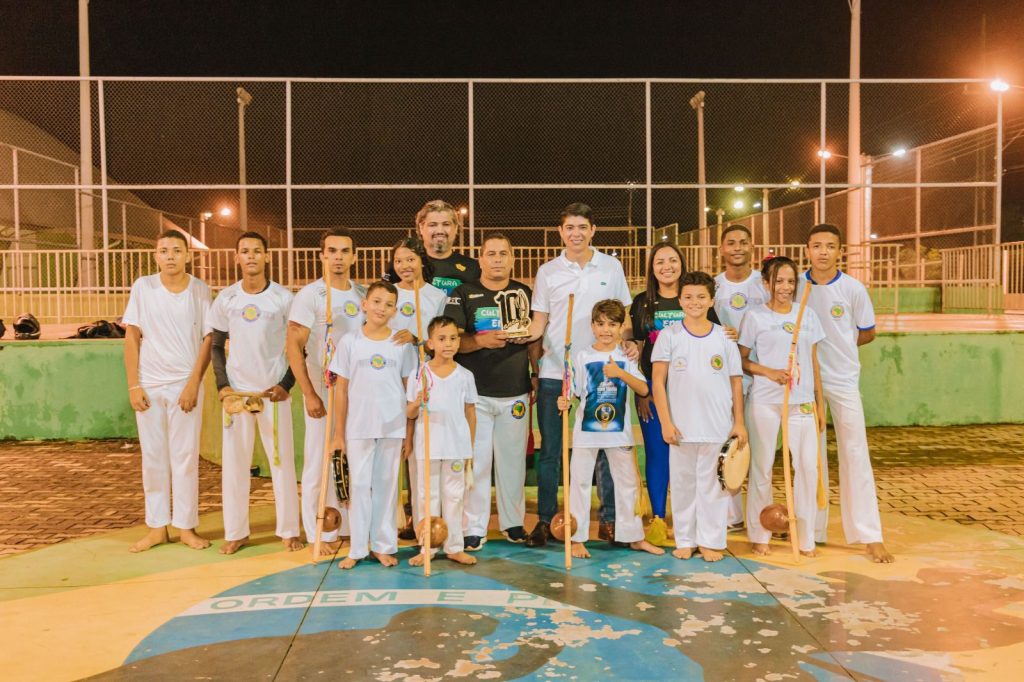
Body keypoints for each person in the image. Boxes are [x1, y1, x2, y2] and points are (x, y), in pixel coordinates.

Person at [520, 202, 637, 547]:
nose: (576, 233)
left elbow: (623, 318)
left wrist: (628, 345)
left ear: (592, 231)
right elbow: (539, 323)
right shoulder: (548, 271)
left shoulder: (611, 266)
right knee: (552, 450)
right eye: (569, 227)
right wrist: (514, 334)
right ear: (561, 232)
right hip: (557, 370)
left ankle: (610, 519)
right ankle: (546, 519)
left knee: (603, 447)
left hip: (601, 372)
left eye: (582, 227)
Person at [801, 224, 893, 563]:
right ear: (806, 250)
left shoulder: (853, 289)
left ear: (839, 251)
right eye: (816, 246)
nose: (823, 251)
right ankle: (812, 529)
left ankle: (869, 534)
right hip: (806, 382)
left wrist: (840, 348)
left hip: (842, 380)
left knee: (855, 452)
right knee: (809, 456)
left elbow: (867, 333)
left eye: (829, 246)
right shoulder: (796, 286)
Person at [624, 242, 728, 539]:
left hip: (693, 394)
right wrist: (643, 391)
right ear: (651, 268)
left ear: (681, 263)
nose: (666, 266)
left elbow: (715, 338)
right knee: (657, 454)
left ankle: (696, 521)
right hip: (653, 393)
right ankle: (658, 518)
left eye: (672, 260)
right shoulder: (642, 301)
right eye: (659, 261)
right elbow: (637, 344)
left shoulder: (694, 298)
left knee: (693, 458)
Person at [208, 232, 301, 555]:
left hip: (271, 394)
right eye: (244, 251)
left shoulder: (283, 298)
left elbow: (297, 347)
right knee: (235, 465)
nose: (250, 257)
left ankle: (289, 529)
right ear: (236, 258)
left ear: (267, 257)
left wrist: (285, 384)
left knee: (282, 463)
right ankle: (236, 531)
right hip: (237, 395)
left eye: (257, 251)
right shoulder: (227, 298)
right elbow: (216, 346)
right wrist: (223, 386)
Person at [445, 233, 539, 550]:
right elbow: (454, 338)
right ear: (481, 259)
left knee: (513, 462)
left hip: (515, 392)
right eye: (491, 254)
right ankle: (474, 526)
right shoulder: (464, 293)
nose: (497, 259)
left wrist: (537, 373)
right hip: (477, 394)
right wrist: (480, 341)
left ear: (512, 259)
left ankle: (513, 523)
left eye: (503, 253)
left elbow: (535, 339)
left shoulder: (524, 293)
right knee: (478, 461)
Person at [122, 230, 213, 553]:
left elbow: (207, 339)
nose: (171, 256)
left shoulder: (200, 291)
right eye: (164, 250)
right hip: (149, 385)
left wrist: (193, 383)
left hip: (184, 388)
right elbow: (132, 336)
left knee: (185, 457)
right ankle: (157, 526)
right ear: (155, 256)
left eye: (177, 250)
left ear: (188, 255)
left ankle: (186, 526)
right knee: (153, 457)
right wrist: (134, 384)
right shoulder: (143, 287)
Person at [651, 271, 747, 562]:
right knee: (682, 485)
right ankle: (685, 539)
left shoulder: (724, 337)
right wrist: (666, 422)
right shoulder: (669, 336)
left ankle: (711, 541)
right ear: (680, 300)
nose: (694, 302)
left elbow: (736, 381)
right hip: (680, 428)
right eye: (689, 297)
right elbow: (657, 382)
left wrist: (739, 422)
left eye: (701, 297)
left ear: (711, 301)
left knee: (713, 486)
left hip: (717, 425)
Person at [558, 300, 664, 559]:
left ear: (621, 327)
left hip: (619, 433)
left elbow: (643, 389)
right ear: (593, 326)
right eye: (601, 324)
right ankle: (577, 537)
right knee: (580, 483)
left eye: (613, 325)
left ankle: (633, 537)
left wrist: (620, 373)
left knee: (627, 484)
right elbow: (572, 391)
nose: (606, 330)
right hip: (586, 432)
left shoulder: (625, 357)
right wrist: (564, 400)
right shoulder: (581, 356)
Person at [286, 227, 366, 556]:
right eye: (331, 251)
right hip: (324, 382)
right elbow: (293, 345)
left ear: (354, 256)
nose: (338, 257)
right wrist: (309, 392)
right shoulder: (311, 295)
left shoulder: (361, 293)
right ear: (322, 255)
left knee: (349, 456)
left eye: (344, 251)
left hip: (356, 387)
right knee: (320, 460)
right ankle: (318, 530)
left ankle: (347, 526)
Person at [739, 256, 825, 557]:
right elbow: (742, 360)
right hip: (765, 401)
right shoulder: (755, 317)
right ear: (766, 283)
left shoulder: (808, 315)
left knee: (806, 468)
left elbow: (813, 362)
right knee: (762, 468)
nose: (785, 287)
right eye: (778, 281)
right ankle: (760, 532)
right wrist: (769, 372)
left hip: (801, 403)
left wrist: (819, 402)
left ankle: (804, 537)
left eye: (790, 281)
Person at [329, 280, 418, 569]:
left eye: (389, 304)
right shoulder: (349, 342)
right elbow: (341, 389)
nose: (382, 308)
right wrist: (338, 434)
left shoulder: (402, 344)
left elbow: (409, 390)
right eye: (377, 301)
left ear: (395, 310)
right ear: (365, 304)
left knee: (386, 486)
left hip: (392, 427)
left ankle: (383, 545)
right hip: (357, 427)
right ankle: (356, 547)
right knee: (359, 485)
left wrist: (408, 431)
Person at [405, 316, 479, 566]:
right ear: (430, 343)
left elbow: (470, 412)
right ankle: (427, 547)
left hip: (456, 446)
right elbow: (410, 413)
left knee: (455, 496)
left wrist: (470, 446)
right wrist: (417, 401)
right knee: (427, 497)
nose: (448, 344)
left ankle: (454, 546)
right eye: (442, 339)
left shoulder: (465, 375)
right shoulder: (420, 373)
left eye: (453, 338)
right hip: (428, 446)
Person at [713, 224, 766, 531]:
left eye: (743, 243)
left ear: (751, 247)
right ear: (721, 249)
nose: (737, 248)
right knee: (728, 445)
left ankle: (761, 515)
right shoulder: (715, 286)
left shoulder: (764, 283)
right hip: (725, 377)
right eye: (730, 243)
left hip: (759, 374)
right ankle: (731, 515)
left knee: (757, 447)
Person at [387, 237, 448, 345]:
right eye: (398, 261)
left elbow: (441, 338)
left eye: (410, 260)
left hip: (423, 360)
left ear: (422, 261)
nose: (404, 266)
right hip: (391, 359)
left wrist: (416, 341)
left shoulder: (438, 296)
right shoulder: (387, 293)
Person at [415, 199, 481, 295]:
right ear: (421, 228)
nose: (440, 231)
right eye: (433, 225)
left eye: (446, 224)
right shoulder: (405, 266)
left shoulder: (473, 268)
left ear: (456, 228)